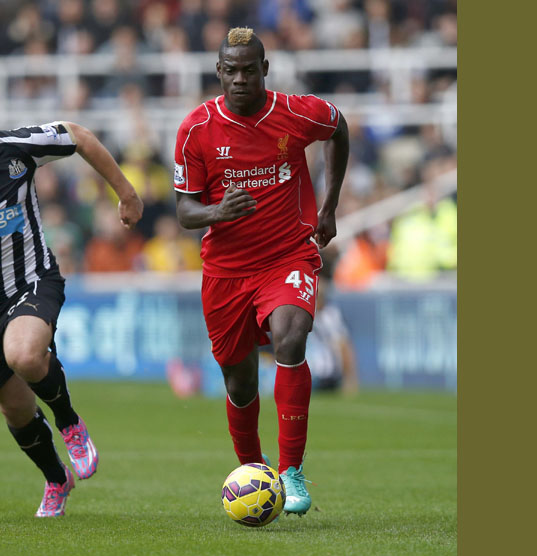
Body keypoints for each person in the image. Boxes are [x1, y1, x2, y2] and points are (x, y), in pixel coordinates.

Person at [0, 75, 143, 517]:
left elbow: (79, 136)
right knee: (15, 410)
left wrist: (127, 193)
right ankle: (57, 479)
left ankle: (70, 422)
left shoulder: (19, 147)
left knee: (24, 354)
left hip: (33, 279)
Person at [172, 27, 349, 516]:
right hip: (226, 271)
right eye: (232, 71)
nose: (241, 79)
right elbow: (186, 212)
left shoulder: (294, 112)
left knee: (291, 337)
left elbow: (338, 127)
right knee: (239, 383)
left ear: (264, 70)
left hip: (287, 255)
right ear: (219, 72)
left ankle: (291, 471)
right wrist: (216, 213)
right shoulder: (196, 129)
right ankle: (253, 467)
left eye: (250, 70)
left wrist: (329, 206)